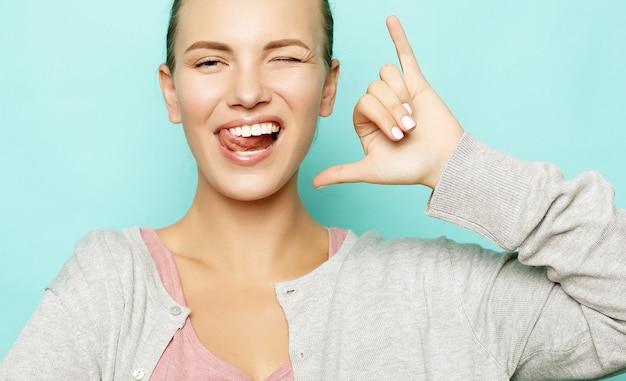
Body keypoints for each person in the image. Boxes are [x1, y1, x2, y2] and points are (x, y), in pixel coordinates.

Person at [1, 0, 625, 379]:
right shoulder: (110, 287)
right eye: (211, 61)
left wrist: (458, 166)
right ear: (172, 91)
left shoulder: (443, 297)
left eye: (285, 57)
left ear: (328, 88)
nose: (247, 91)